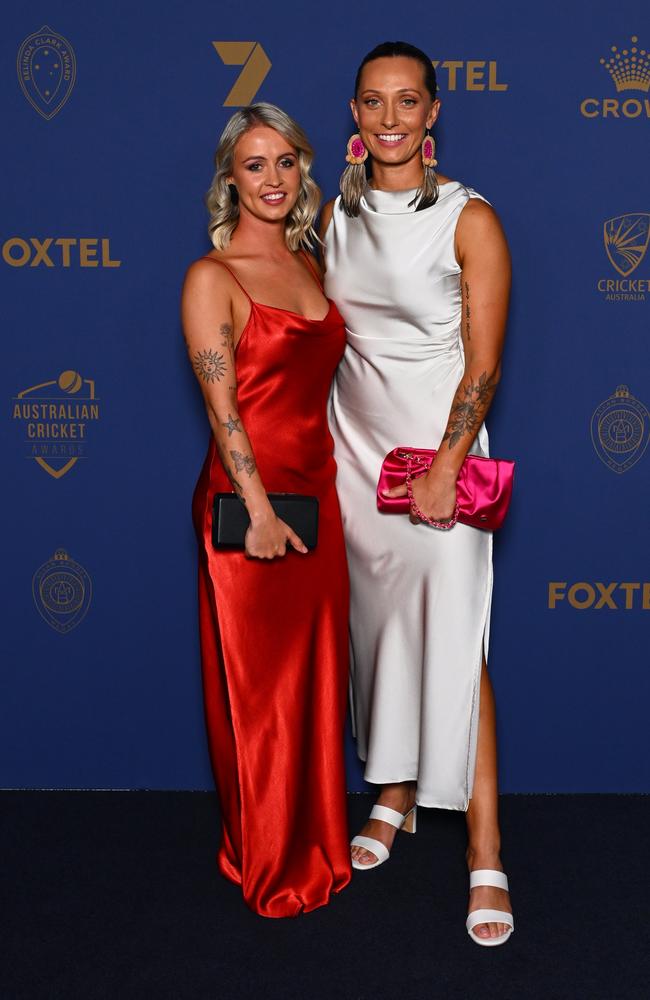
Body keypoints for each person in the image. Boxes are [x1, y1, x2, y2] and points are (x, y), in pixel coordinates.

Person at [320, 42, 514, 945]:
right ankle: (393, 792)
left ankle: (486, 853)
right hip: (353, 455)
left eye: (408, 103)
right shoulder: (338, 213)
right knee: (376, 632)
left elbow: (485, 362)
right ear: (355, 114)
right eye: (372, 103)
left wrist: (445, 460)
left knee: (455, 637)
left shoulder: (468, 218)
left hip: (439, 454)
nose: (389, 119)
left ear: (434, 112)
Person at [182, 103, 351, 918]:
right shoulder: (212, 276)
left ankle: (315, 844)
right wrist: (254, 508)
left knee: (314, 684)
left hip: (319, 494)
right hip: (249, 506)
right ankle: (267, 861)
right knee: (260, 694)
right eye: (255, 165)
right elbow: (223, 408)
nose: (274, 179)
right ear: (229, 179)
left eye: (286, 162)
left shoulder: (314, 265)